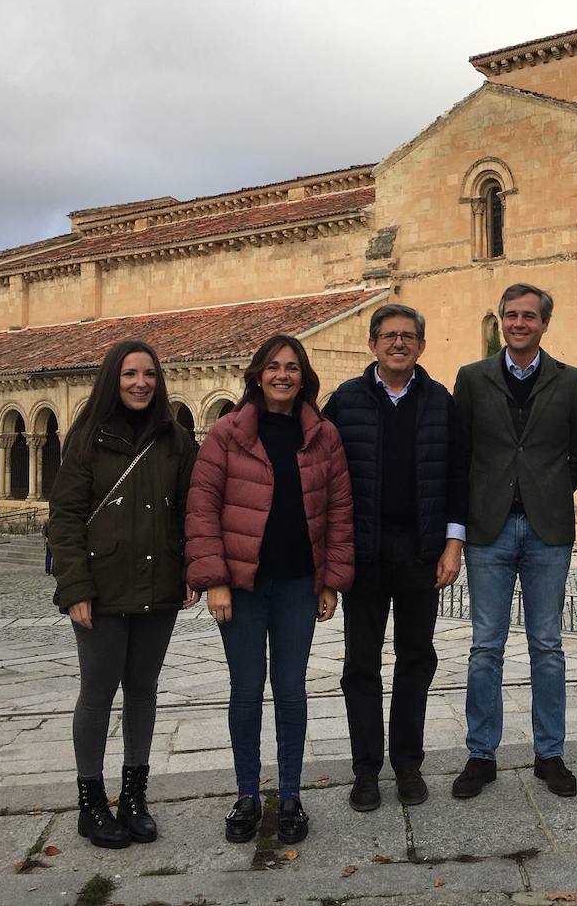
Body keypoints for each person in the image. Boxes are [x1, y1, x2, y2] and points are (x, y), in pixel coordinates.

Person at [186, 334, 354, 845]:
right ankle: (246, 795)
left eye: (292, 367)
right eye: (274, 367)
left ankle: (290, 796)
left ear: (304, 376)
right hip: (242, 586)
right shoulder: (226, 434)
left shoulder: (324, 436)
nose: (283, 375)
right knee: (244, 690)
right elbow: (202, 507)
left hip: (299, 584)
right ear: (257, 374)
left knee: (291, 690)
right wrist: (214, 578)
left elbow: (340, 512)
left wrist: (332, 583)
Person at [48, 339, 200, 849]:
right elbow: (64, 518)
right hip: (101, 589)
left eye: (150, 375)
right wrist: (75, 588)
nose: (141, 383)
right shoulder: (86, 439)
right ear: (113, 379)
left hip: (159, 587)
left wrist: (190, 571)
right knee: (96, 693)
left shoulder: (176, 439)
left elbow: (187, 511)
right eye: (130, 374)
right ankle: (91, 803)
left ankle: (134, 797)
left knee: (143, 690)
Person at [322, 304, 467, 813]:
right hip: (363, 554)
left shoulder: (440, 401)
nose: (399, 344)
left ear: (421, 346)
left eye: (408, 336)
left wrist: (454, 543)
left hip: (421, 552)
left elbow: (456, 475)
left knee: (416, 660)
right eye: (389, 336)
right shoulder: (346, 401)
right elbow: (323, 475)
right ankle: (366, 771)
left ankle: (407, 764)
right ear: (373, 344)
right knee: (360, 664)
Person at [451, 283, 577, 799]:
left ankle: (549, 754)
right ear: (501, 322)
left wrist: (549, 490)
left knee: (548, 646)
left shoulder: (570, 381)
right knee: (485, 646)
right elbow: (460, 452)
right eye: (510, 315)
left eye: (528, 316)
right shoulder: (471, 378)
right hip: (487, 531)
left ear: (543, 323)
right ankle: (481, 754)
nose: (518, 323)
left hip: (546, 530)